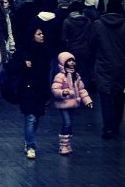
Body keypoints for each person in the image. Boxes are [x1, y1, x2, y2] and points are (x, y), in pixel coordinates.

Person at [89, 0, 125, 139]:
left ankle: (108, 127)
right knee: (118, 96)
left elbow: (92, 44)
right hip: (120, 65)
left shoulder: (98, 25)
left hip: (103, 65)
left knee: (105, 97)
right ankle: (116, 126)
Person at [18, 27, 52, 159]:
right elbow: (14, 67)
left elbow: (46, 72)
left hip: (41, 87)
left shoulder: (45, 50)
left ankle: (28, 141)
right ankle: (30, 145)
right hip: (27, 87)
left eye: (43, 33)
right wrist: (23, 64)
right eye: (39, 34)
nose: (42, 36)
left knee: (36, 117)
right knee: (31, 117)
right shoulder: (25, 50)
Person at [51, 52, 93, 155]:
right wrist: (63, 93)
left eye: (72, 60)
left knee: (70, 124)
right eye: (69, 60)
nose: (71, 62)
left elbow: (81, 89)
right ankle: (63, 145)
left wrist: (88, 101)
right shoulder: (60, 76)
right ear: (63, 62)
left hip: (73, 103)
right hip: (63, 103)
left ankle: (67, 144)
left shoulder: (76, 75)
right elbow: (55, 89)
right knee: (67, 122)